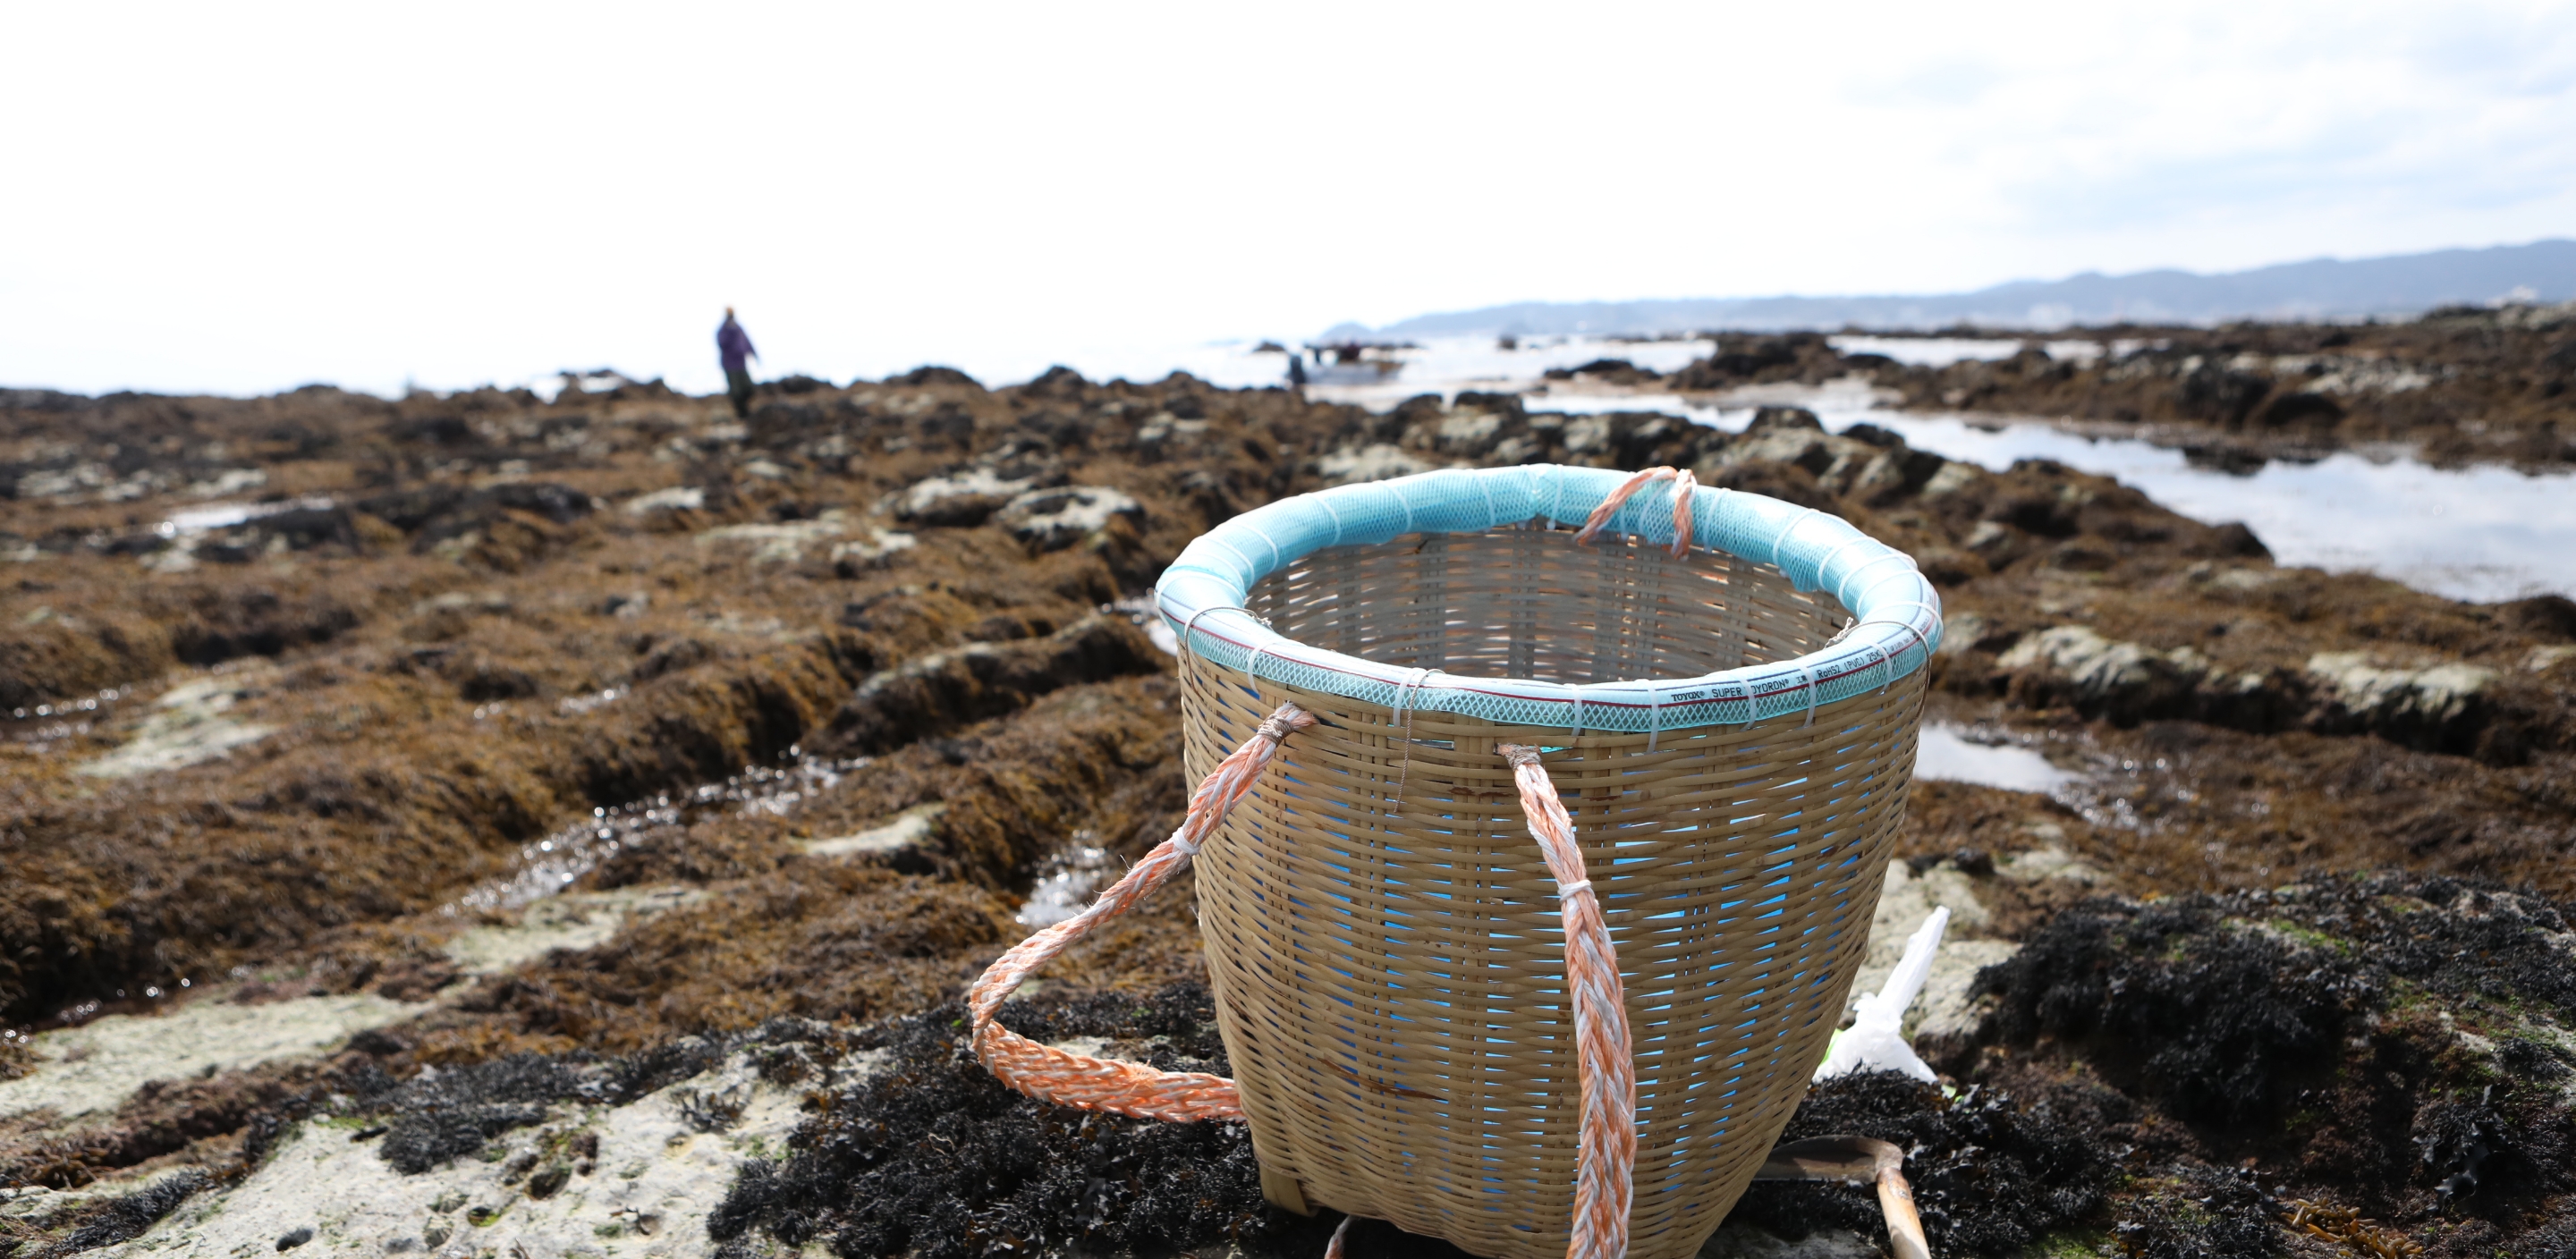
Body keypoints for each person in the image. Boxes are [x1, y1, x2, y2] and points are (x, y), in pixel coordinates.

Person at [716, 308, 758, 418]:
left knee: (748, 388)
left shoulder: (738, 327)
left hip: (741, 364)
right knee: (736, 392)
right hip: (729, 365)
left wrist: (754, 354)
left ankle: (745, 411)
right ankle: (742, 414)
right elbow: (721, 343)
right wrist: (730, 332)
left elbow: (746, 341)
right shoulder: (723, 330)